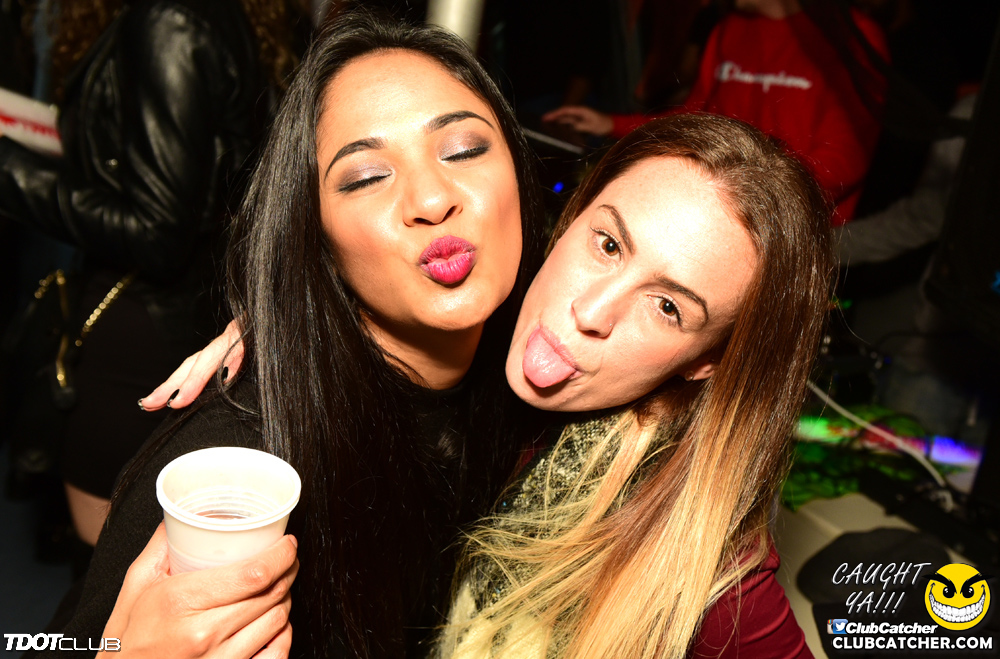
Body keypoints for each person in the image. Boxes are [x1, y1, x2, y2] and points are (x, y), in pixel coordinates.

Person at [136, 114, 832, 658]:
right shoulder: (480, 325)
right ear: (574, 215)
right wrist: (294, 320)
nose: (591, 312)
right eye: (608, 244)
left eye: (669, 306)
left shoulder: (707, 572)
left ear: (705, 362)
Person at [29, 8, 546, 659]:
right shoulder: (242, 461)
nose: (431, 198)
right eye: (366, 177)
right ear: (316, 238)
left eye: (465, 149)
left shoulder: (549, 378)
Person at [0, 0, 298, 548]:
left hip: (141, 336)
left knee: (110, 571)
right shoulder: (205, 11)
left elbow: (157, 233)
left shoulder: (169, 19)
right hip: (185, 319)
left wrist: (9, 173)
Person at [543, 0, 888, 226]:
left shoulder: (854, 36)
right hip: (720, 213)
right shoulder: (729, 29)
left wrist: (748, 196)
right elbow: (696, 120)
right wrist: (611, 124)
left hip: (795, 233)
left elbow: (845, 162)